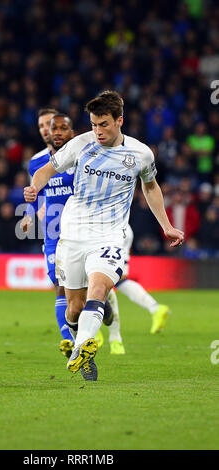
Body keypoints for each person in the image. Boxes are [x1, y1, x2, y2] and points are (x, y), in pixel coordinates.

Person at [24, 91, 184, 381]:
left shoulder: (140, 154)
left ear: (119, 120)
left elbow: (150, 187)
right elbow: (46, 169)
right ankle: (83, 338)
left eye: (104, 124)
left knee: (98, 289)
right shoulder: (80, 145)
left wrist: (166, 225)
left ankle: (83, 347)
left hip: (110, 235)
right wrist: (34, 190)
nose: (98, 131)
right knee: (73, 308)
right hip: (73, 234)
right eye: (94, 124)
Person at [21, 110, 125, 377]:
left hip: (88, 232)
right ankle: (74, 344)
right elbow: (37, 193)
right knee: (63, 292)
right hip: (56, 236)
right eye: (43, 125)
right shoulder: (36, 163)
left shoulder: (83, 155)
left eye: (55, 126)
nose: (48, 130)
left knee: (91, 287)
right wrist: (30, 214)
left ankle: (99, 316)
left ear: (70, 131)